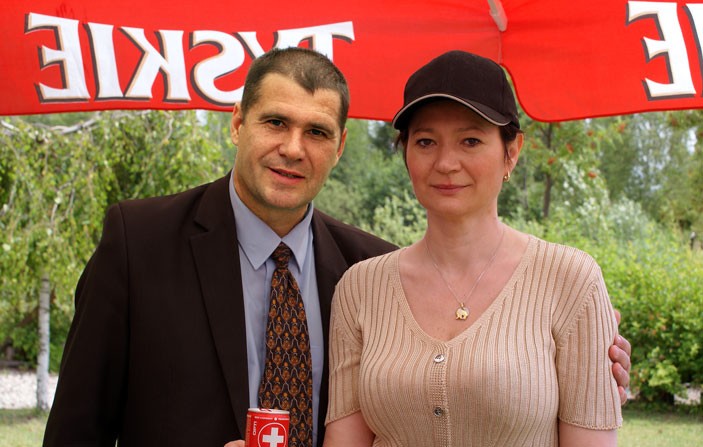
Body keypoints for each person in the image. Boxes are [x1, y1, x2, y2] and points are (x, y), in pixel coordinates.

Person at [43, 47, 629, 447]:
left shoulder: (362, 268)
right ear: (238, 123)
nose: (293, 148)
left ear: (341, 146)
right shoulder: (138, 243)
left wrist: (578, 363)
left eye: (317, 132)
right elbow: (75, 431)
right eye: (276, 123)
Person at [324, 50, 624, 446]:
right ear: (406, 153)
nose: (446, 163)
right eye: (426, 141)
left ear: (511, 152)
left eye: (471, 140)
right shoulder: (360, 288)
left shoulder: (571, 280)